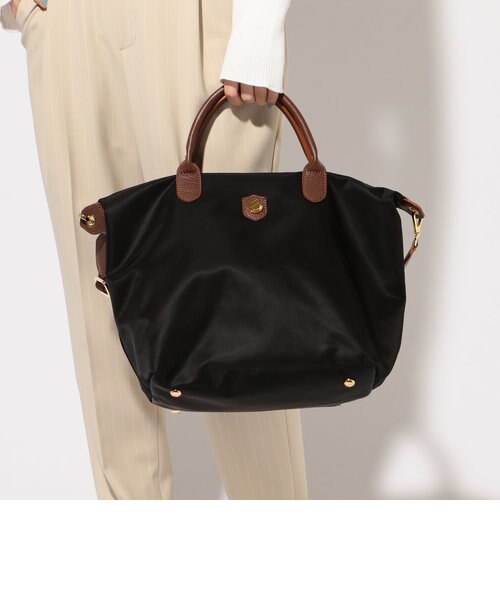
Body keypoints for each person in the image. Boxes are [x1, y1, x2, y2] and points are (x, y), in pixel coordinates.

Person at [1, 0, 308, 500]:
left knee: (237, 320)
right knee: (102, 305)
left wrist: (259, 24)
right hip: (67, 26)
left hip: (195, 23)